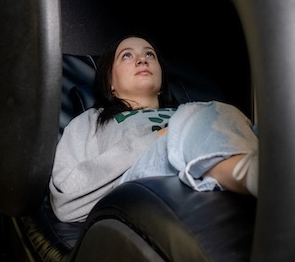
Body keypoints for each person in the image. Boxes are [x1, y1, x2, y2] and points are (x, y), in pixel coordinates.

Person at [49, 35, 259, 223]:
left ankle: (262, 170)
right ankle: (256, 176)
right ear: (110, 82)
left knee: (223, 114)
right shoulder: (91, 120)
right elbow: (65, 197)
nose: (142, 60)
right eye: (126, 56)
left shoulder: (192, 112)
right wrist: (160, 137)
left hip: (195, 170)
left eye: (149, 54)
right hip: (138, 183)